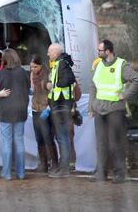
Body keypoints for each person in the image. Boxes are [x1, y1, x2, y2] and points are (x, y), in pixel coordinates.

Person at [89, 39, 138, 183]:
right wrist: (91, 106)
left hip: (115, 110)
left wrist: (124, 95)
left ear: (108, 51)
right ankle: (101, 173)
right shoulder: (98, 65)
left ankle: (120, 174)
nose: (98, 53)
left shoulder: (121, 65)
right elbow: (93, 86)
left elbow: (137, 80)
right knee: (101, 143)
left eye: (100, 50)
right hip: (99, 109)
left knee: (115, 143)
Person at [0, 49, 30, 180]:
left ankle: (6, 173)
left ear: (4, 59)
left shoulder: (1, 73)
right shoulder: (23, 72)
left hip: (5, 111)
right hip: (20, 110)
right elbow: (28, 88)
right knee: (19, 141)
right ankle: (21, 173)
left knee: (7, 142)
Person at [46, 43, 79, 178]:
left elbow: (69, 80)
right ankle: (63, 167)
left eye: (49, 52)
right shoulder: (61, 63)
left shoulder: (61, 64)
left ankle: (64, 169)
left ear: (55, 52)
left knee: (62, 138)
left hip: (61, 107)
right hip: (61, 106)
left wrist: (52, 85)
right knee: (62, 138)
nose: (48, 54)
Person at [29, 54, 58, 172]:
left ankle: (55, 163)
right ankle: (43, 163)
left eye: (35, 67)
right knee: (39, 138)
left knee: (48, 137)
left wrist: (48, 108)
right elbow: (32, 90)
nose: (33, 69)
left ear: (41, 65)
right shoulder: (32, 75)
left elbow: (53, 93)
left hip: (46, 109)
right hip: (36, 109)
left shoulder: (48, 74)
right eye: (31, 67)